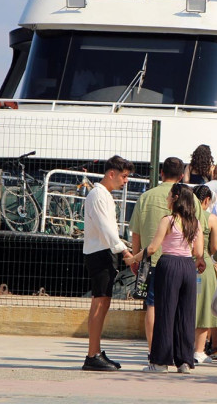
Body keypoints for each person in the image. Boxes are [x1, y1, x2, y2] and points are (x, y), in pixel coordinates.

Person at [129, 157, 204, 353]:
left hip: (155, 262)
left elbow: (135, 231)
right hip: (186, 264)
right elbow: (200, 233)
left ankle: (155, 351)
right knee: (182, 310)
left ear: (161, 172)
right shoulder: (192, 198)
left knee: (154, 306)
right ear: (181, 176)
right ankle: (181, 354)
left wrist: (135, 259)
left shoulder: (146, 196)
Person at [82, 155, 134, 371]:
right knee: (99, 302)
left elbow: (109, 230)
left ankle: (95, 351)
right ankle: (92, 354)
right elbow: (106, 229)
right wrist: (125, 252)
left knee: (103, 303)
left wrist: (122, 249)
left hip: (104, 252)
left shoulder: (104, 194)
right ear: (111, 174)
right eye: (123, 176)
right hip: (99, 252)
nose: (126, 181)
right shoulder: (97, 195)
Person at [191, 185, 217, 364]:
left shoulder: (186, 216)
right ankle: (199, 350)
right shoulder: (211, 219)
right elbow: (215, 248)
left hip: (187, 263)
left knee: (188, 306)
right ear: (206, 200)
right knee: (203, 309)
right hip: (205, 266)